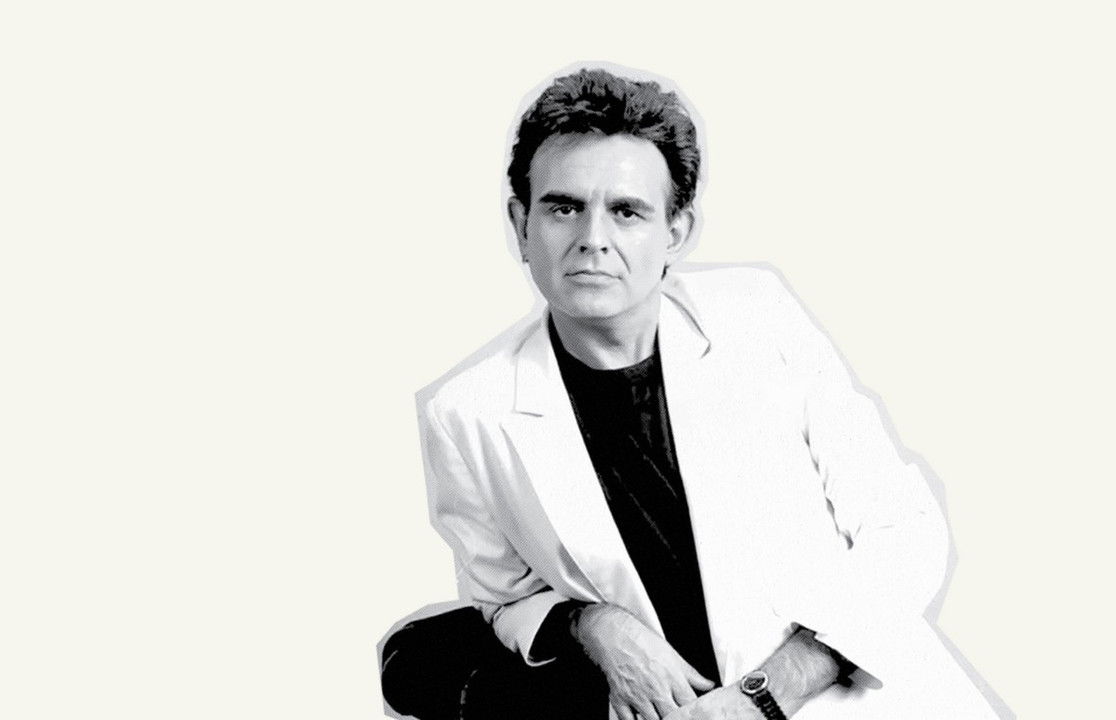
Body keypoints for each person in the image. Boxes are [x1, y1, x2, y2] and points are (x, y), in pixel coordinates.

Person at [381, 66, 1003, 720]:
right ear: (520, 224)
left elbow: (904, 530)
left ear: (675, 232)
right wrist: (589, 624)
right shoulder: (467, 414)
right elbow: (502, 598)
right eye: (563, 208)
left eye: (626, 212)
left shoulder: (758, 317)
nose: (592, 240)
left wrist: (766, 695)